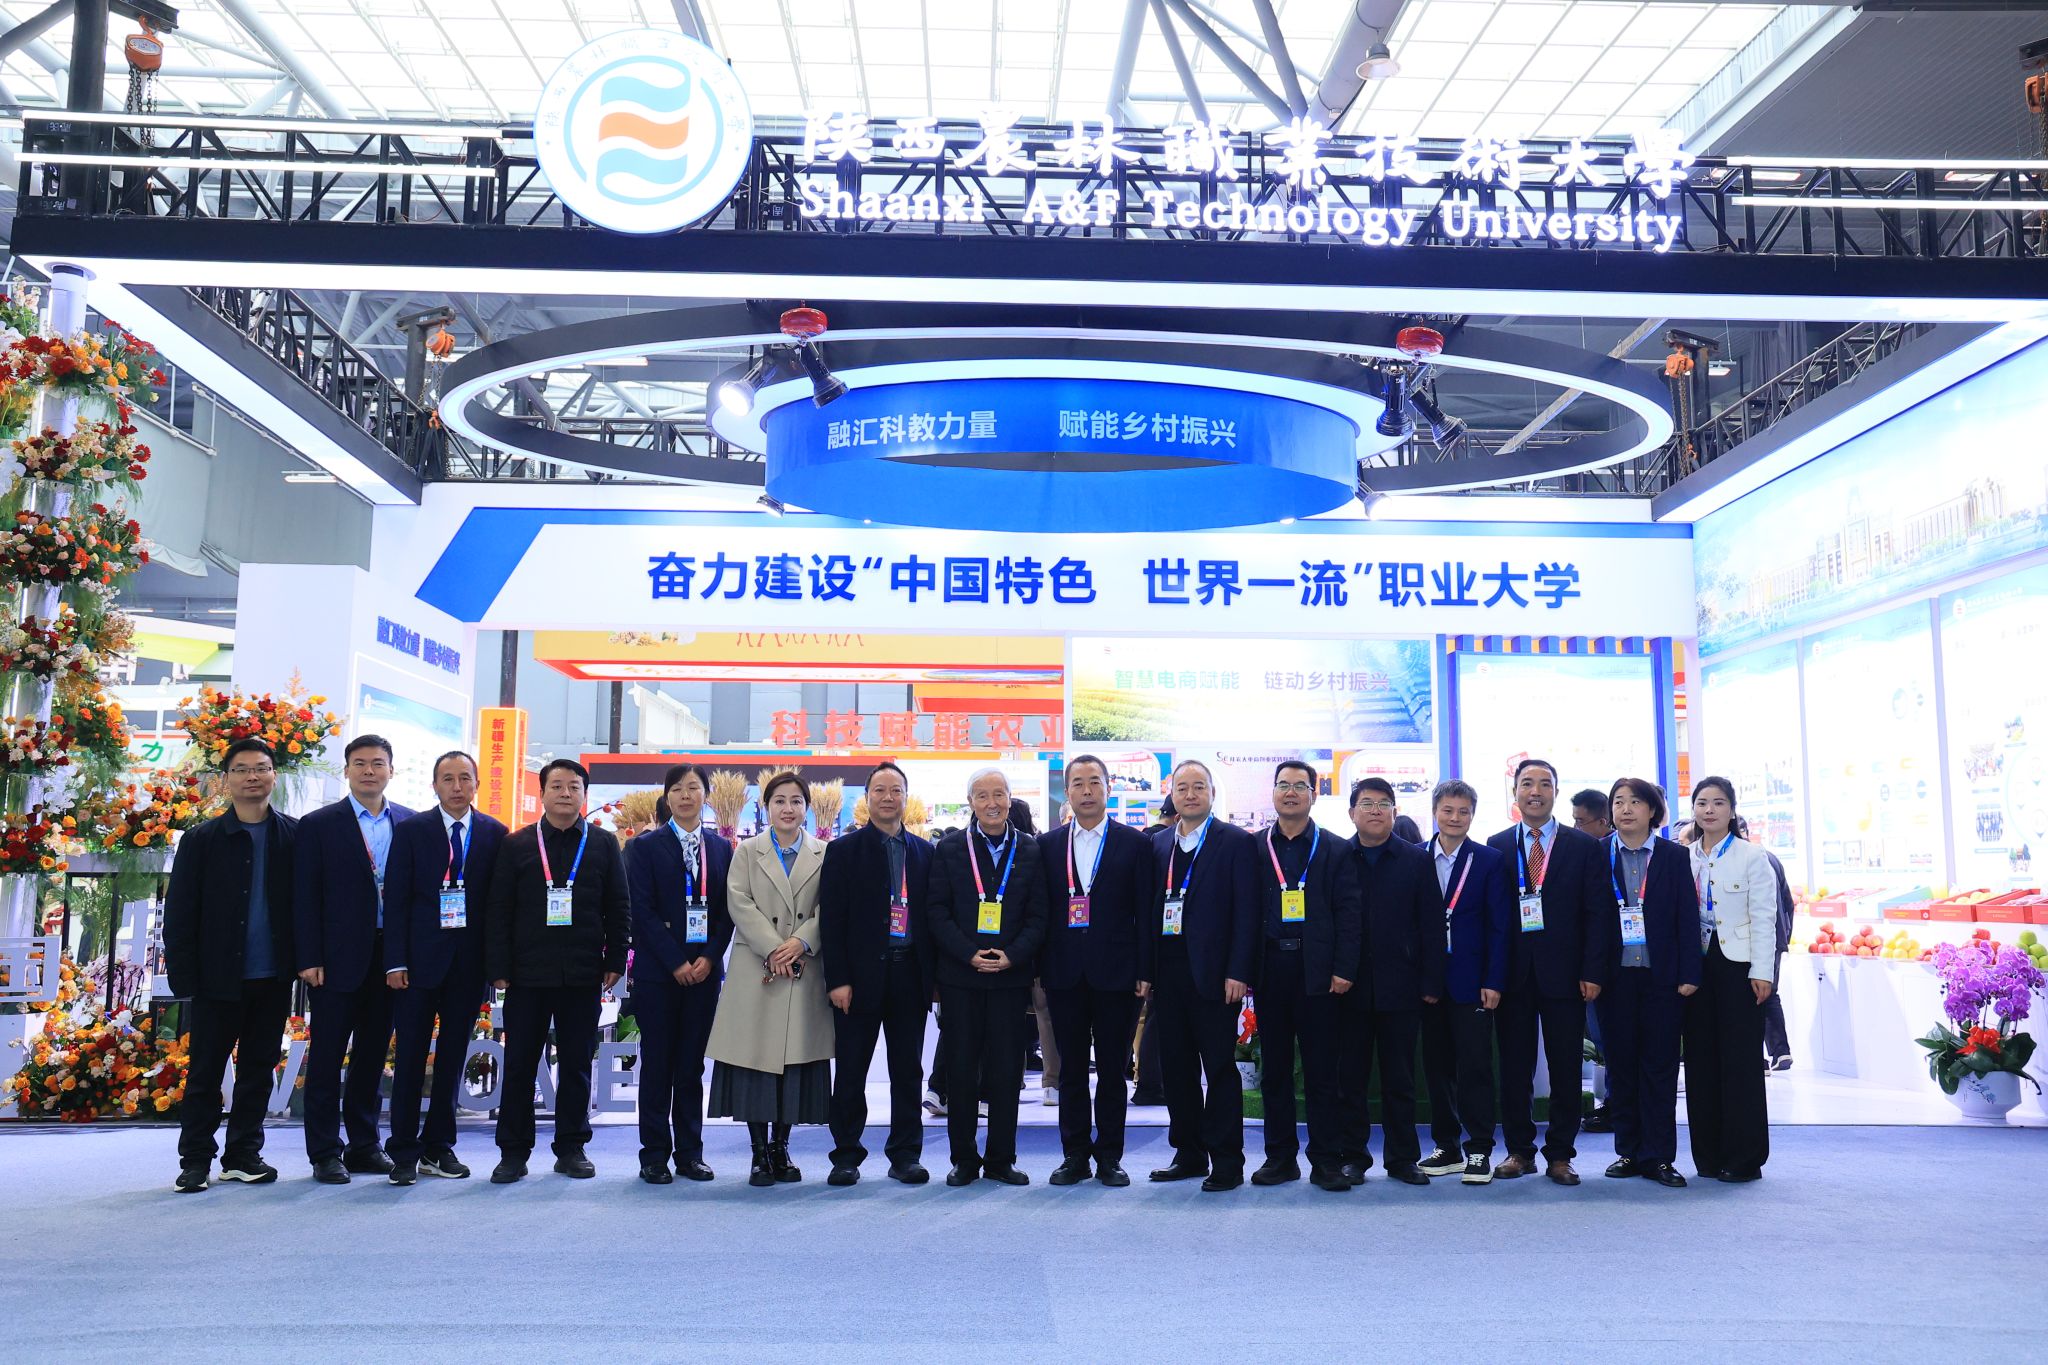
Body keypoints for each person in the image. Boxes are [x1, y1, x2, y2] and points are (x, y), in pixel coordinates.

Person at [484, 758, 629, 1182]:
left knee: (577, 1064)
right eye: (557, 786)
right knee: (520, 1064)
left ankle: (571, 1147)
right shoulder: (517, 844)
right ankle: (513, 1152)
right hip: (526, 974)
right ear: (542, 792)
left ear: (585, 794)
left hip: (582, 973)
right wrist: (498, 967)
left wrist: (615, 960)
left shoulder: (603, 844)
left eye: (574, 786)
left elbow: (619, 905)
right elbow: (498, 910)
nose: (566, 793)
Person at [163, 738, 297, 1193]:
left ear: (274, 775)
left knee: (258, 1071)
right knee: (205, 1073)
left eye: (261, 768)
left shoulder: (293, 836)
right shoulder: (202, 839)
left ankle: (243, 1154)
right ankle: (195, 1160)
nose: (252, 776)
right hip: (216, 977)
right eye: (241, 769)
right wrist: (185, 976)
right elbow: (180, 912)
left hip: (272, 976)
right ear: (226, 780)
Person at [294, 735, 415, 1183]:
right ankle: (325, 1152)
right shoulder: (319, 824)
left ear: (391, 771)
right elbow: (304, 896)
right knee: (327, 1057)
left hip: (391, 957)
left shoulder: (410, 822)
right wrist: (309, 956)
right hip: (335, 958)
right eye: (360, 763)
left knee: (371, 1056)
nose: (369, 771)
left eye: (378, 763)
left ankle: (364, 1145)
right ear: (346, 771)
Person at [382, 750, 506, 1184]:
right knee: (410, 1058)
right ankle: (403, 1151)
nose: (457, 786)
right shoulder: (412, 830)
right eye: (448, 779)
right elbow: (396, 899)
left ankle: (439, 1148)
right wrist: (395, 961)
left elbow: (498, 906)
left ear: (476, 784)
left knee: (452, 1059)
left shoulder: (494, 833)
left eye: (464, 778)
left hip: (468, 966)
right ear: (434, 785)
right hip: (416, 965)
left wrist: (495, 965)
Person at [706, 771, 833, 1186]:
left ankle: (781, 1147)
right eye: (779, 801)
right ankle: (758, 1152)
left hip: (803, 966)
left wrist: (800, 942)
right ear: (766, 807)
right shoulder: (747, 851)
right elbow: (738, 901)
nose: (788, 808)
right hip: (758, 966)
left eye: (796, 801)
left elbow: (830, 908)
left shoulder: (824, 853)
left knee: (793, 1064)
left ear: (807, 809)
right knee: (756, 1062)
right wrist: (774, 948)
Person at [1485, 758, 1608, 1185]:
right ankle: (1519, 1151)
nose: (1535, 791)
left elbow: (1597, 914)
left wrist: (1593, 970)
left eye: (1544, 784)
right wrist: (1492, 976)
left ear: (1556, 791)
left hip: (1567, 975)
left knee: (1565, 1068)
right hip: (1513, 976)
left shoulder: (1583, 847)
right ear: (1515, 792)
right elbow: (1492, 918)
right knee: (1514, 1068)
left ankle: (1560, 1155)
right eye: (1526, 784)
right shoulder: (1497, 846)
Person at [1140, 760, 1258, 1192]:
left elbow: (1247, 912)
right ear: (1171, 794)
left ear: (1211, 793)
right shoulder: (1157, 844)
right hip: (1167, 975)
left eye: (1198, 787)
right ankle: (1188, 1153)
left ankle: (1227, 1160)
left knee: (1220, 1069)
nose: (1190, 795)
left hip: (1216, 976)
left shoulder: (1236, 842)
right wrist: (1145, 971)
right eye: (1182, 788)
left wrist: (1238, 971)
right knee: (1176, 1069)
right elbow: (1147, 913)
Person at [1037, 754, 1154, 1187]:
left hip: (1118, 974)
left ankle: (1109, 1157)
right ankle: (1074, 1156)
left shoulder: (1135, 844)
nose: (1086, 791)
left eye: (1094, 782)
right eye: (1078, 783)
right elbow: (1041, 912)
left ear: (1108, 788)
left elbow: (1146, 912)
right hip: (1064, 973)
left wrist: (1145, 969)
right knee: (1070, 1070)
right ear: (1066, 792)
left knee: (1112, 1070)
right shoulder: (1047, 846)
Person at [928, 768, 1048, 1186]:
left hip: (1010, 979)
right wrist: (968, 954)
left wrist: (1012, 956)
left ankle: (1001, 1158)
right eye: (982, 796)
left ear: (1010, 799)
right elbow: (936, 911)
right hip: (961, 977)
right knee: (961, 1069)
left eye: (999, 794)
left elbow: (1039, 915)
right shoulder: (949, 848)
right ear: (971, 803)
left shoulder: (1030, 849)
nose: (992, 803)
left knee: (1006, 1072)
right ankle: (963, 1159)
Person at [820, 761, 937, 1186]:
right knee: (851, 1070)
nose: (888, 798)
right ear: (866, 798)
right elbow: (832, 920)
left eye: (896, 790)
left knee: (907, 1071)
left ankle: (905, 1155)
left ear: (906, 796)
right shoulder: (843, 851)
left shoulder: (925, 853)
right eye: (880, 790)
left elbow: (932, 919)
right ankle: (846, 1155)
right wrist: (838, 980)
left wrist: (933, 981)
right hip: (858, 980)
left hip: (910, 976)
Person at [1249, 761, 1361, 1192]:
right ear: (1273, 793)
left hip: (1320, 973)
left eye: (1300, 786)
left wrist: (1343, 969)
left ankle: (1326, 1160)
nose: (1291, 792)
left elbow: (1349, 913)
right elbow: (1243, 913)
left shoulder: (1335, 848)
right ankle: (1280, 1158)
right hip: (1270, 970)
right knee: (1274, 1070)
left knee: (1321, 1072)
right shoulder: (1255, 847)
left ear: (1314, 794)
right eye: (1284, 785)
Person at [623, 763, 734, 1184]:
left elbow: (727, 912)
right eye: (677, 789)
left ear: (706, 795)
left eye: (694, 787)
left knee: (690, 1067)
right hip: (659, 974)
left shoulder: (720, 849)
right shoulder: (644, 847)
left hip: (704, 974)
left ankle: (690, 1153)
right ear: (667, 797)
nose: (686, 795)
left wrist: (709, 957)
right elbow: (641, 911)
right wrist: (676, 961)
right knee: (657, 1066)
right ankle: (654, 1155)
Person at [1336, 777, 1445, 1186]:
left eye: (1384, 803)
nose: (1376, 810)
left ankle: (1402, 1158)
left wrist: (1431, 980)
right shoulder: (1337, 856)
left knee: (1400, 1079)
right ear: (1352, 813)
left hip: (1402, 985)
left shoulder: (1416, 860)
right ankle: (1353, 1157)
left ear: (1394, 812)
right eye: (1367, 803)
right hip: (1347, 988)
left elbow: (1432, 924)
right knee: (1351, 1079)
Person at [1593, 777, 1701, 1189]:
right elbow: (1589, 919)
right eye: (1618, 801)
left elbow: (1687, 916)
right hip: (1613, 979)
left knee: (1659, 1067)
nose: (1625, 809)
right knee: (1620, 1067)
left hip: (1663, 979)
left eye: (1635, 801)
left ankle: (1658, 1156)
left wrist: (1689, 973)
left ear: (1652, 810)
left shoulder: (1674, 856)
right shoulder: (1598, 853)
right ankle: (1628, 1151)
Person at [1416, 779, 1515, 1186]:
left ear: (1472, 815)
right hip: (1427, 983)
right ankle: (1447, 1146)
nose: (1455, 818)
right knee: (1436, 1067)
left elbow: (1500, 926)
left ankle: (1479, 1148)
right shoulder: (1415, 857)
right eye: (1448, 810)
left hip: (1473, 982)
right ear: (1435, 812)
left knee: (1475, 1066)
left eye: (1463, 812)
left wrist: (1494, 979)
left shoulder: (1489, 860)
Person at [1682, 778, 1777, 1182]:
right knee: (1700, 1061)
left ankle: (1744, 1159)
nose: (1709, 810)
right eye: (1702, 803)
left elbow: (1765, 917)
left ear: (1732, 810)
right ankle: (1707, 1156)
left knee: (1740, 1062)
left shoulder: (1752, 856)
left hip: (1738, 966)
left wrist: (1763, 971)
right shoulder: (1682, 857)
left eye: (1718, 803)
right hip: (1695, 967)